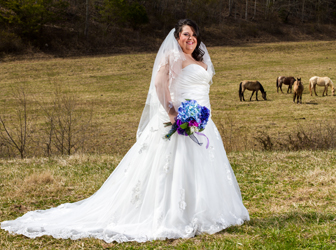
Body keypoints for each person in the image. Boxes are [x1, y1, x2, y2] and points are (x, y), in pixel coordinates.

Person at [1, 19, 250, 243]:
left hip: (203, 124)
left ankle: (204, 211)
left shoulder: (201, 59)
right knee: (175, 169)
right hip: (181, 121)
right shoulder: (174, 58)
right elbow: (159, 84)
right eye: (185, 34)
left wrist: (202, 116)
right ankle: (174, 214)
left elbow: (203, 90)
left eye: (193, 35)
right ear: (177, 38)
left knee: (203, 169)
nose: (190, 39)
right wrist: (173, 112)